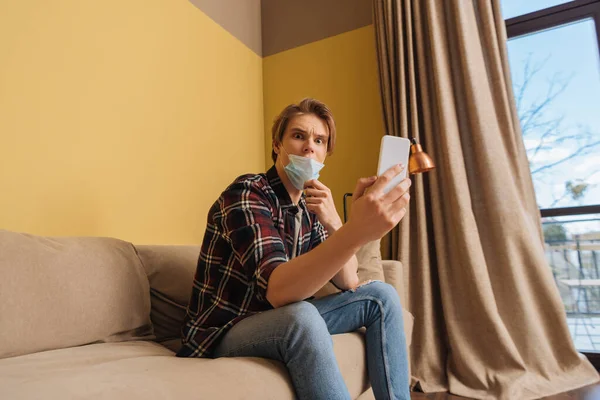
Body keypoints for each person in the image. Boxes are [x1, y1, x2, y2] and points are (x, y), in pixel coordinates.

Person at [177, 98, 411, 400]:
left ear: (326, 153)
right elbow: (280, 292)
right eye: (299, 136)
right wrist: (356, 231)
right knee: (301, 315)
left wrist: (334, 222)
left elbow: (350, 282)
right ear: (278, 145)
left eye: (319, 140)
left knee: (382, 296)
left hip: (280, 317)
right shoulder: (247, 193)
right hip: (225, 330)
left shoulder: (310, 209)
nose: (309, 147)